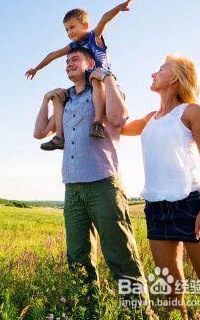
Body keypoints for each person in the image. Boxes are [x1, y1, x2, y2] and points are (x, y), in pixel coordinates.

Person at [33, 46, 151, 315]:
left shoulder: (103, 90)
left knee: (120, 255)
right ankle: (88, 311)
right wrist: (45, 99)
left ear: (90, 63)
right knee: (77, 258)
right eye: (66, 62)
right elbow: (39, 132)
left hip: (103, 184)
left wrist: (106, 76)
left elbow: (120, 118)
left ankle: (139, 313)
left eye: (74, 59)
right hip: (72, 188)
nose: (68, 64)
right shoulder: (67, 101)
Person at [122, 55, 200, 319]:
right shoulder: (151, 118)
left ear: (174, 77)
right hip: (156, 210)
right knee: (170, 294)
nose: (153, 73)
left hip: (191, 207)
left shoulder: (191, 111)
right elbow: (118, 127)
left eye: (160, 69)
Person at [27, 0, 136, 149]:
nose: (69, 32)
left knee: (95, 79)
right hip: (84, 84)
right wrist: (36, 69)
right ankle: (59, 137)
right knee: (58, 97)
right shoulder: (73, 46)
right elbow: (53, 55)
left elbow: (104, 18)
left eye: (72, 27)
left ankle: (97, 123)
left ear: (84, 25)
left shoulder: (94, 36)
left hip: (101, 78)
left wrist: (119, 7)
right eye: (66, 30)